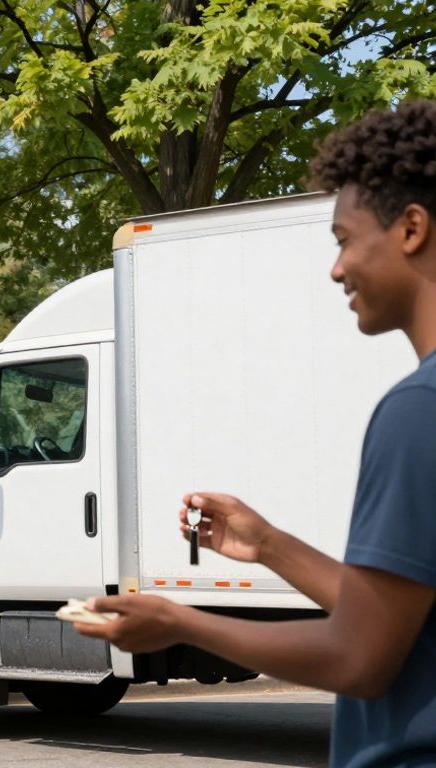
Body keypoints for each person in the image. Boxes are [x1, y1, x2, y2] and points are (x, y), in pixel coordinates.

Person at [75, 100, 436, 768]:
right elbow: (391, 620)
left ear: (411, 228)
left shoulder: (419, 410)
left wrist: (178, 622)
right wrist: (269, 546)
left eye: (344, 239)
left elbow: (359, 658)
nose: (336, 269)